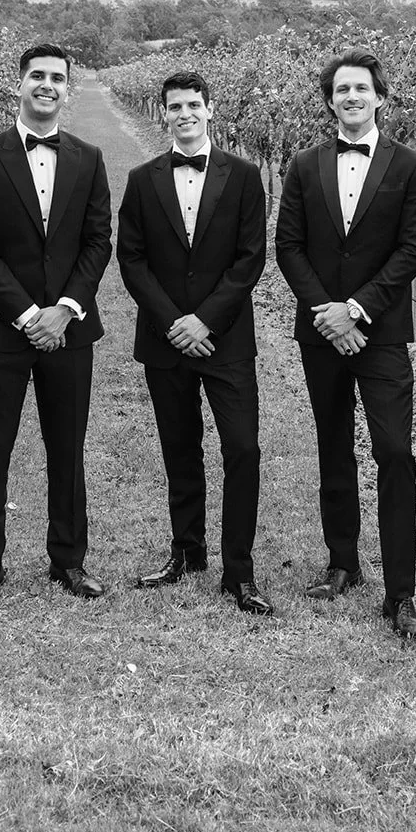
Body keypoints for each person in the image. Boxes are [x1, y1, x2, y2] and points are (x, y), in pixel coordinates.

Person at [275, 48, 416, 640]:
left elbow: (411, 251)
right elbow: (288, 244)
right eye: (340, 90)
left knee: (394, 453)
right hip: (322, 333)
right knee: (333, 446)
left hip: (382, 332)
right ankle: (343, 562)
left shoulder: (411, 166)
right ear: (329, 101)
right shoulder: (302, 163)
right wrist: (328, 314)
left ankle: (401, 593)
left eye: (360, 89)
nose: (350, 98)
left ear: (379, 97)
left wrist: (358, 310)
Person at [0, 42, 112, 605]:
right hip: (1, 329)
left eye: (58, 78)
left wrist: (65, 309)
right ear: (19, 83)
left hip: (69, 329)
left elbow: (98, 242)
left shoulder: (89, 158)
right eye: (38, 76)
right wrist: (27, 314)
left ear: (68, 89)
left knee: (67, 447)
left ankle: (69, 561)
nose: (47, 85)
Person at [117, 69, 272, 614]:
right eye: (174, 107)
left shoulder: (245, 176)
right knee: (179, 449)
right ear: (163, 114)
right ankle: (187, 551)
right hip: (166, 342)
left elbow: (250, 257)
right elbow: (130, 258)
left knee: (243, 450)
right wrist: (172, 323)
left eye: (193, 105)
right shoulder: (142, 179)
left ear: (211, 110)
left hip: (226, 340)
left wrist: (204, 320)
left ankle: (240, 571)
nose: (184, 114)